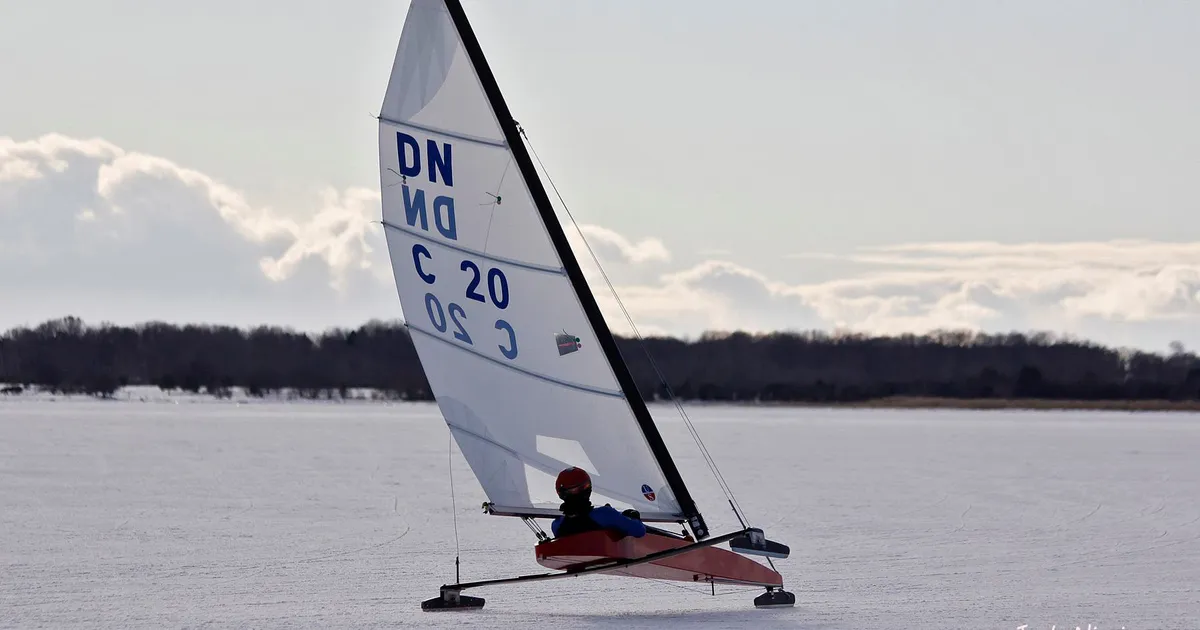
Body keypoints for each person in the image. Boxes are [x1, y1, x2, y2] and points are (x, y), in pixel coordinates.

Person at [550, 467, 647, 539]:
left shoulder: (557, 525)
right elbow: (640, 530)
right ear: (588, 489)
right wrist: (633, 517)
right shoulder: (606, 514)